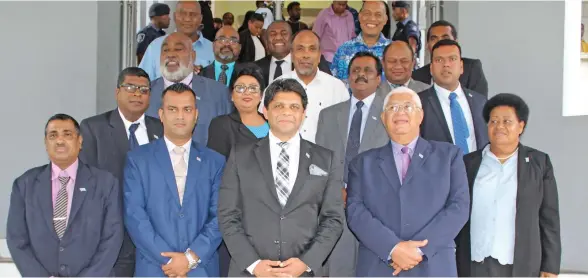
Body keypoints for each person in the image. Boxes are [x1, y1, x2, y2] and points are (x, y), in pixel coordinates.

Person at [218, 78, 344, 277]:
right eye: (279, 106)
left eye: (294, 106)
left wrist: (306, 262)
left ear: (303, 113)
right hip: (251, 272)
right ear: (265, 111)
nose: (286, 112)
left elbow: (333, 219)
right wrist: (253, 264)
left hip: (304, 272)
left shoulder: (326, 159)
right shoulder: (239, 156)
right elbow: (228, 215)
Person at [346, 87, 470, 276]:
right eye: (393, 108)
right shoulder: (362, 163)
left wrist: (418, 251)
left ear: (420, 116)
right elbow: (355, 212)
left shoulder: (449, 156)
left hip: (433, 265)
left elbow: (459, 207)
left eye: (407, 107)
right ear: (383, 119)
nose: (400, 112)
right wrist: (393, 248)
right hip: (379, 265)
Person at [124, 83, 224, 276]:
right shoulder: (138, 159)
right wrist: (171, 261)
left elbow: (220, 216)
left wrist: (190, 259)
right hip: (155, 268)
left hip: (200, 269)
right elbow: (135, 216)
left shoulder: (215, 161)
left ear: (196, 115)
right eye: (172, 109)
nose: (180, 116)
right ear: (161, 115)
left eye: (187, 109)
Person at [456, 93, 561, 277]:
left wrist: (550, 266)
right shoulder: (468, 163)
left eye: (507, 121)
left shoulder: (539, 163)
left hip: (521, 265)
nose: (499, 127)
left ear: (521, 126)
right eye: (493, 121)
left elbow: (549, 217)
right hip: (474, 263)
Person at [7, 114, 123, 277]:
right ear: (46, 143)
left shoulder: (105, 183)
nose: (60, 141)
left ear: (80, 141)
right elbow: (16, 239)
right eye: (53, 135)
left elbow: (112, 238)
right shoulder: (24, 185)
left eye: (67, 134)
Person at [79, 67, 163, 277]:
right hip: (111, 233)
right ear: (117, 92)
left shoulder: (161, 129)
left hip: (154, 234)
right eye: (131, 88)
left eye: (144, 89)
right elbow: (86, 183)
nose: (137, 94)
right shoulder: (93, 128)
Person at [315, 51, 390, 277]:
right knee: (339, 267)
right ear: (347, 78)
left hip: (376, 208)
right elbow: (320, 159)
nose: (361, 75)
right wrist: (334, 188)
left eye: (368, 70)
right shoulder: (328, 115)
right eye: (355, 71)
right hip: (337, 204)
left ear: (379, 79)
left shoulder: (389, 116)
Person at [261, 29, 349, 143]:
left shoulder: (337, 88)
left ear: (319, 55)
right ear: (292, 55)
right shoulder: (276, 85)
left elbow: (345, 129)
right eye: (300, 49)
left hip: (325, 157)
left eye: (312, 49)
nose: (306, 55)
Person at [147, 32, 232, 145]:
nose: (170, 55)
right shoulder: (146, 93)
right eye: (165, 50)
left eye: (178, 49)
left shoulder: (219, 93)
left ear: (193, 55)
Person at [419, 39, 488, 154]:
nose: (446, 64)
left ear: (461, 67)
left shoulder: (480, 102)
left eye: (452, 59)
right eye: (439, 60)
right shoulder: (419, 103)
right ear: (431, 69)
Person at [139, 1, 214, 81]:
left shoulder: (213, 49)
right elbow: (142, 81)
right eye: (182, 14)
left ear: (200, 18)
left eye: (193, 14)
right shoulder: (155, 46)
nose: (188, 19)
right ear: (174, 17)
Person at [412, 20, 488, 96]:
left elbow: (480, 103)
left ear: (456, 42)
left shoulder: (472, 68)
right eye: (434, 39)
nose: (440, 42)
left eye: (445, 38)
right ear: (427, 45)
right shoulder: (417, 76)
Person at [208, 67, 268, 158]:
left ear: (261, 96)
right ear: (231, 95)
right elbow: (216, 164)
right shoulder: (221, 124)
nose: (247, 92)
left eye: (253, 88)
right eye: (240, 88)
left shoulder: (272, 122)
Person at [331, 1, 391, 88]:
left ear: (385, 19)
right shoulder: (343, 51)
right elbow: (334, 87)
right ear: (360, 16)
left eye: (378, 15)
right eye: (367, 13)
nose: (372, 19)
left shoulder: (393, 50)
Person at [255, 21, 332, 86]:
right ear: (266, 40)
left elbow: (329, 87)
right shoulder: (256, 68)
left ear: (292, 39)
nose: (278, 38)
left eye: (284, 33)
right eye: (273, 34)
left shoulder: (313, 61)